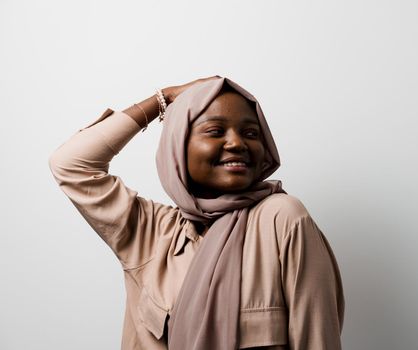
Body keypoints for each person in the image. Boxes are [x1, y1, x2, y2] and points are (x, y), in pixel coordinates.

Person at [48, 76, 345, 350]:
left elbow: (317, 340)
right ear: (178, 145)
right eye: (215, 131)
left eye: (251, 133)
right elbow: (71, 164)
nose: (237, 143)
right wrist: (162, 99)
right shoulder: (151, 232)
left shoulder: (283, 219)